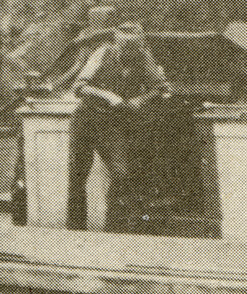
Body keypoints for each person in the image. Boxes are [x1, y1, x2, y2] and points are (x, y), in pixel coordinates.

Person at [67, 20, 170, 232]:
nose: (127, 53)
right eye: (123, 47)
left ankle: (112, 230)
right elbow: (78, 87)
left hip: (110, 124)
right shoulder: (102, 53)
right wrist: (108, 95)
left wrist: (140, 99)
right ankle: (75, 230)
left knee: (121, 174)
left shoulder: (143, 57)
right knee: (77, 177)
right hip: (86, 120)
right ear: (116, 43)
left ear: (140, 46)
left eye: (133, 48)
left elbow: (160, 88)